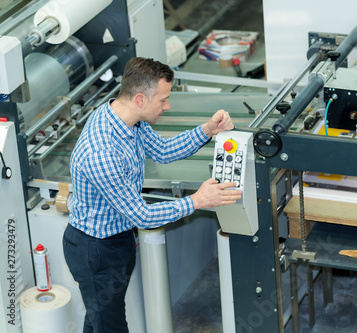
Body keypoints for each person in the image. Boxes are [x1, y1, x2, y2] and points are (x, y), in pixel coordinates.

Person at [62, 57, 241, 333]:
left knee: (99, 321)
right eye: (163, 100)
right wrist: (198, 200)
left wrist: (208, 130)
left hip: (117, 240)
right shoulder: (102, 153)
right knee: (110, 327)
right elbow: (142, 215)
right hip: (95, 250)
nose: (167, 106)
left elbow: (162, 151)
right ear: (141, 99)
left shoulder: (125, 117)